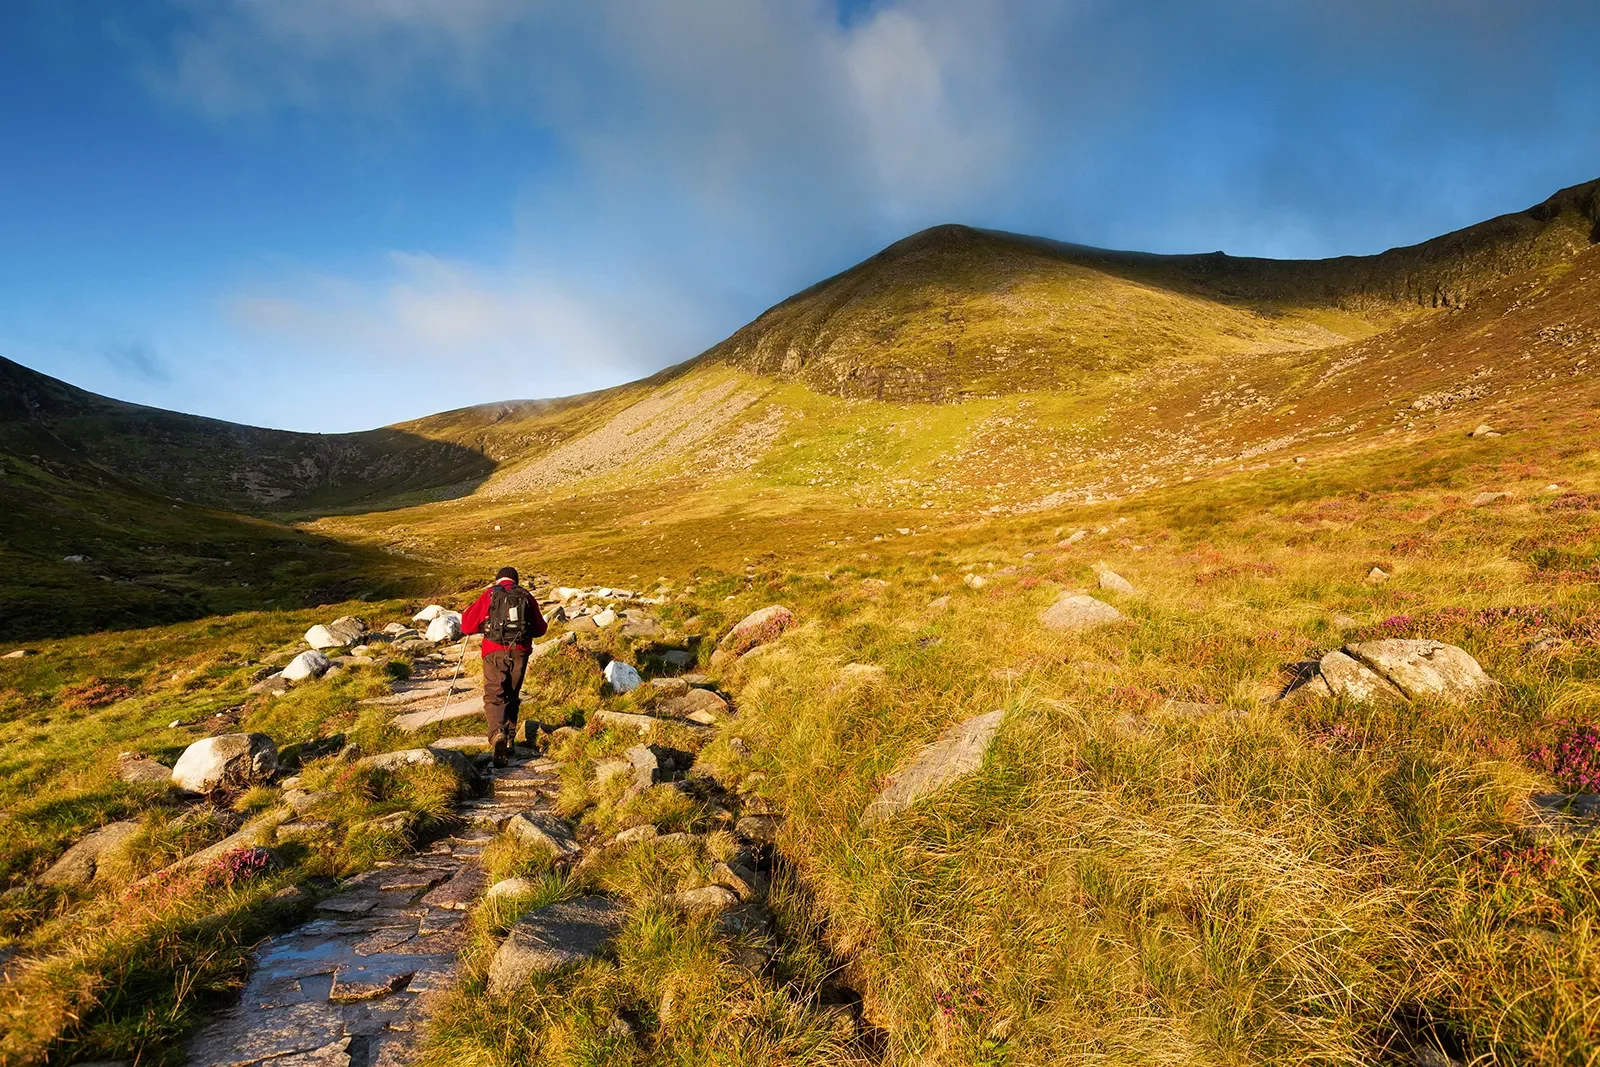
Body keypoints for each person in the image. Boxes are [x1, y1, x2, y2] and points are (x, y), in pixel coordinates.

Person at [459, 566, 547, 766]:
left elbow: (466, 627)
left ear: (498, 579)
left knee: (495, 694)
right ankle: (509, 740)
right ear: (515, 580)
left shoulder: (490, 594)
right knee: (512, 694)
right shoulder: (525, 595)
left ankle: (497, 733)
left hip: (494, 651)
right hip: (520, 651)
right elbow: (541, 629)